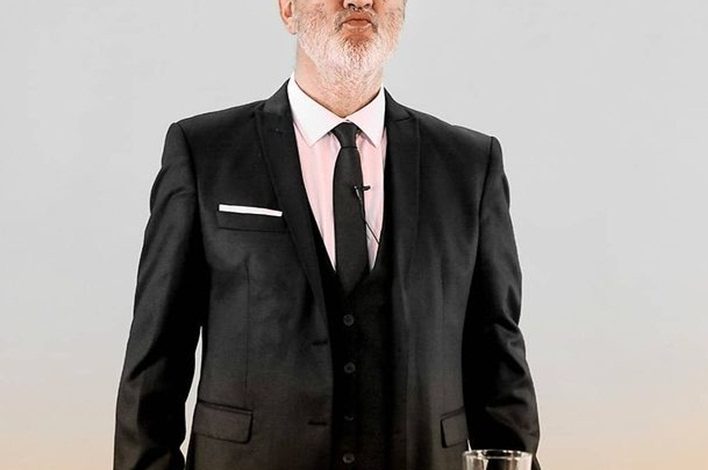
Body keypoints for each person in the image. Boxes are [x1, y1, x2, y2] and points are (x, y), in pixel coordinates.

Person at [113, 0, 541, 469]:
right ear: (288, 9)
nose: (359, 0)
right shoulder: (204, 152)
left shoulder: (469, 165)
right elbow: (156, 360)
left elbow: (498, 358)